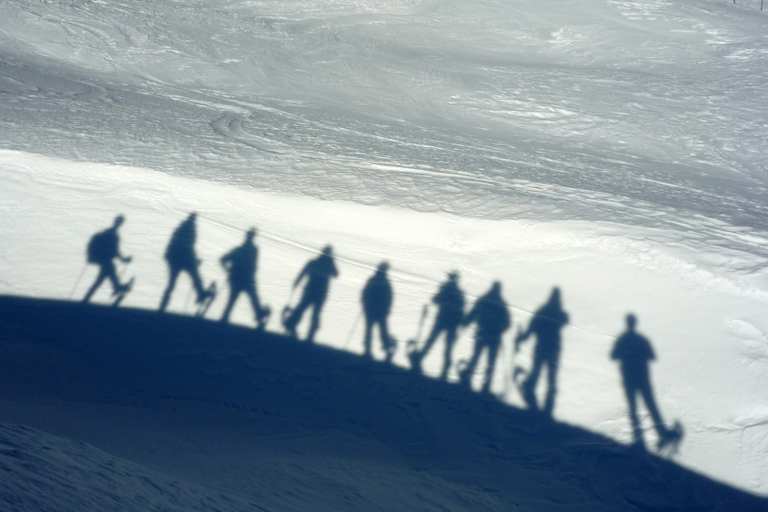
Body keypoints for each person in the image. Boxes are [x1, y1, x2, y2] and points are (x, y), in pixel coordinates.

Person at [611, 313, 680, 451]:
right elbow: (652, 356)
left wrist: (627, 354)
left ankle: (638, 439)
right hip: (642, 378)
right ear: (635, 323)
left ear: (627, 323)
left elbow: (613, 355)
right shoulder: (642, 340)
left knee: (633, 408)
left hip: (629, 378)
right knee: (651, 406)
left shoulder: (622, 339)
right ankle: (662, 434)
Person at [515, 287, 569, 417]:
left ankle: (531, 398)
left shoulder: (543, 311)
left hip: (541, 347)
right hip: (553, 349)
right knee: (550, 378)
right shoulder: (559, 313)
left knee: (537, 373)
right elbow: (565, 320)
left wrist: (521, 339)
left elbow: (531, 329)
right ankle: (547, 409)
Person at [411, 271, 465, 379]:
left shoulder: (446, 289)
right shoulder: (459, 293)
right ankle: (444, 369)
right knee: (447, 347)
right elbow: (461, 309)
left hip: (442, 320)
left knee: (432, 341)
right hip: (451, 324)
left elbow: (435, 300)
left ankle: (420, 359)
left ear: (451, 278)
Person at [459, 281, 511, 393]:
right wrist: (500, 330)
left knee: (476, 356)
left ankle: (467, 378)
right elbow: (507, 323)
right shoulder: (502, 304)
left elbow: (473, 313)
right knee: (490, 361)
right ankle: (486, 385)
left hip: (482, 333)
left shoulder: (484, 299)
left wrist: (464, 322)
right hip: (494, 337)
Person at [283, 245, 339, 342]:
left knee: (302, 309)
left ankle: (292, 324)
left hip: (311, 291)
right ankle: (310, 333)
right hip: (319, 293)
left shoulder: (314, 262)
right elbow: (336, 274)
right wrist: (333, 261)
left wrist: (296, 282)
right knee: (313, 312)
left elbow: (303, 272)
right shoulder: (328, 264)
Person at [158, 213, 212, 312]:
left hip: (174, 258)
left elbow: (173, 242)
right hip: (185, 259)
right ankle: (201, 294)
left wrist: (167, 255)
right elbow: (189, 246)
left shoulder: (179, 228)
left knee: (171, 283)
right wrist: (195, 260)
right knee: (195, 276)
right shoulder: (191, 230)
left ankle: (163, 303)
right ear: (194, 220)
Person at [220, 228, 268, 327]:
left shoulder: (239, 250)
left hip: (238, 278)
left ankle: (225, 317)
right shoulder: (251, 250)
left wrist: (228, 270)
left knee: (236, 298)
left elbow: (223, 259)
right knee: (250, 298)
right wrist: (228, 270)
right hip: (245, 279)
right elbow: (253, 266)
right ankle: (259, 316)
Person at [83, 215, 132, 303]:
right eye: (121, 222)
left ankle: (117, 287)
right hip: (106, 260)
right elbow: (115, 250)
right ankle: (118, 288)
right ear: (120, 223)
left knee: (100, 280)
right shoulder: (113, 234)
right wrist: (124, 259)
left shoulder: (108, 232)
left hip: (103, 259)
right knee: (105, 276)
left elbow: (115, 250)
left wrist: (123, 259)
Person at [361, 262, 395, 361]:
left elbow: (365, 293)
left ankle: (369, 351)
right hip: (378, 311)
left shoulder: (373, 280)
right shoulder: (385, 282)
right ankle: (386, 351)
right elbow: (389, 298)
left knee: (372, 331)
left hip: (374, 310)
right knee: (381, 332)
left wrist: (364, 304)